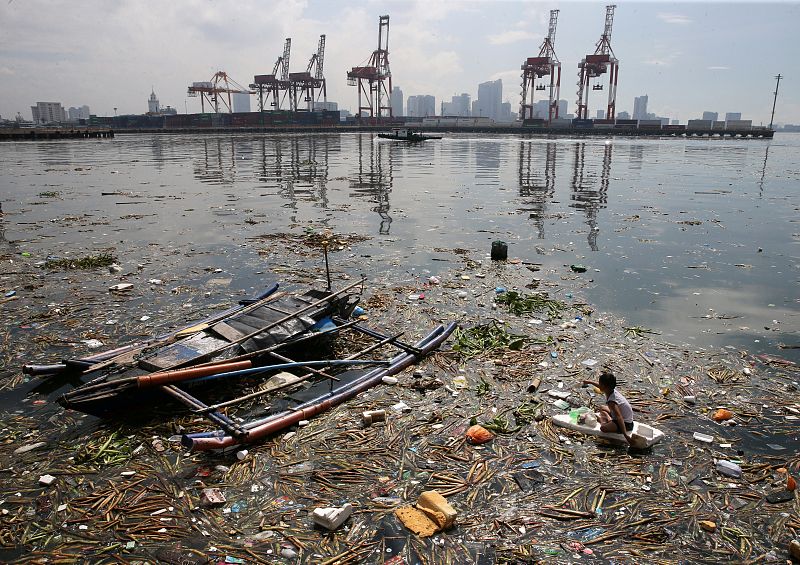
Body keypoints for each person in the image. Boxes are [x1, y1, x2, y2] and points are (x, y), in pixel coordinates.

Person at [582, 372, 634, 445]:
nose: (599, 386)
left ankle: (604, 421)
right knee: (602, 408)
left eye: (600, 384)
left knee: (603, 428)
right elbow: (600, 386)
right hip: (620, 417)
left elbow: (619, 417)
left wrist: (626, 435)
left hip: (626, 424)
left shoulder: (612, 401)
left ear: (604, 386)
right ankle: (609, 420)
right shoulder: (611, 390)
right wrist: (589, 382)